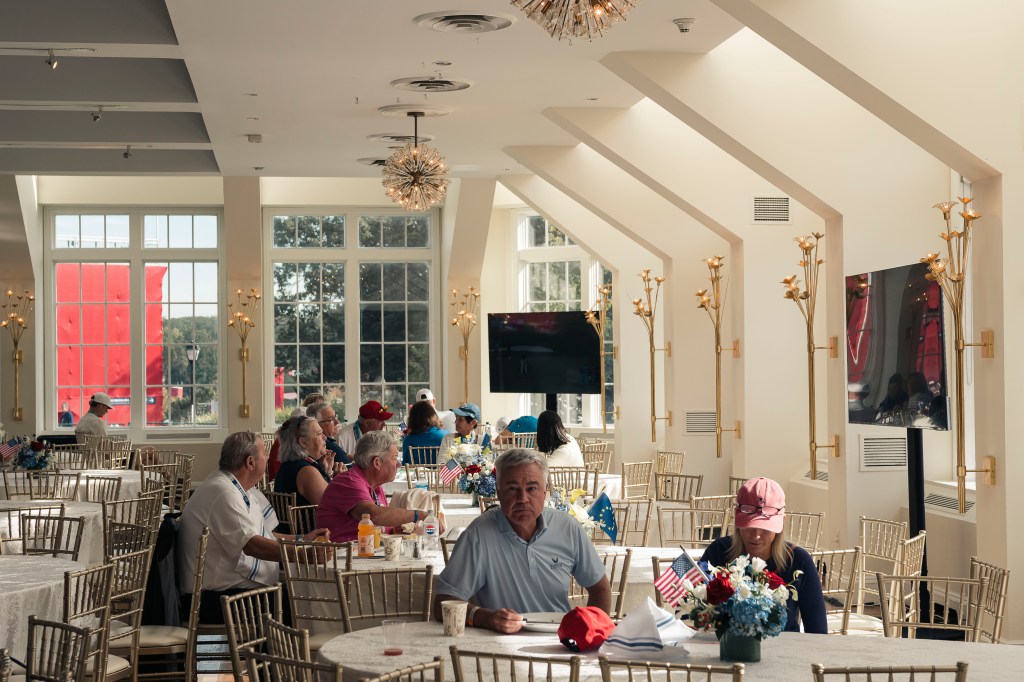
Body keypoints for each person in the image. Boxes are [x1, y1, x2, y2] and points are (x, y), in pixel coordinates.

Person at [433, 449, 610, 633]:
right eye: (512, 489)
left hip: (559, 639)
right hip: (499, 642)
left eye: (532, 488)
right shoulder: (478, 535)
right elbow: (443, 603)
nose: (522, 499)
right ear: (498, 492)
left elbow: (600, 590)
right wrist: (487, 618)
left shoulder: (567, 528)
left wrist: (592, 632)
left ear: (545, 490)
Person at [177, 431, 333, 623]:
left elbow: (263, 535)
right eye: (264, 455)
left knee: (299, 592)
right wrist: (303, 555)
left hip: (226, 592)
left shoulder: (232, 486)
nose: (268, 460)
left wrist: (303, 539)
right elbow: (252, 545)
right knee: (302, 602)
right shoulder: (223, 492)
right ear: (250, 462)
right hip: (210, 600)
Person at [700, 477, 827, 634]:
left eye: (766, 528)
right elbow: (691, 610)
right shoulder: (719, 551)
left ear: (782, 522)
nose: (756, 535)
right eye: (750, 526)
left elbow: (818, 631)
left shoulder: (798, 561)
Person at [317, 430, 435, 542]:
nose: (399, 464)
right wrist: (419, 515)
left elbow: (379, 526)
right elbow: (373, 515)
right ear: (377, 462)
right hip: (341, 553)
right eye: (394, 458)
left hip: (365, 550)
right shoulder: (348, 482)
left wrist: (396, 530)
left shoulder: (375, 485)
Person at [273, 415, 332, 506]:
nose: (325, 437)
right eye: (319, 434)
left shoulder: (291, 465)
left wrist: (327, 471)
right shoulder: (307, 472)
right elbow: (334, 506)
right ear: (303, 442)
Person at [402, 400, 447, 464]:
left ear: (412, 419)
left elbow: (405, 464)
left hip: (417, 471)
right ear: (434, 416)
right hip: (441, 470)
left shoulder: (408, 440)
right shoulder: (446, 436)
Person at [310, 402, 351, 469]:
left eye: (335, 417)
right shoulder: (326, 444)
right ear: (316, 424)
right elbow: (350, 467)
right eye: (331, 419)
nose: (337, 422)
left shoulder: (329, 441)